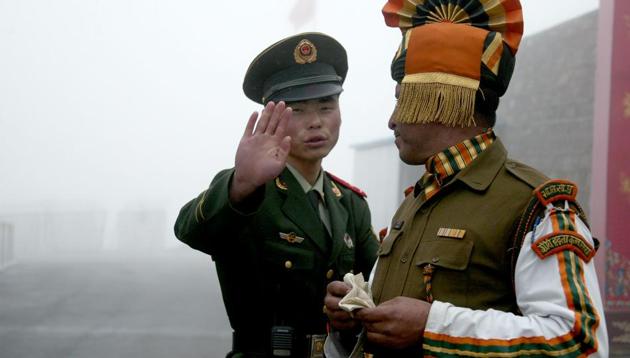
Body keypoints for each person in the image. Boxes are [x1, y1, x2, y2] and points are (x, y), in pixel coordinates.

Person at [324, 1, 609, 357]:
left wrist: (434, 325)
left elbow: (581, 341)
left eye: (402, 101)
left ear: (441, 98)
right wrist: (354, 319)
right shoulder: (414, 203)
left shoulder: (536, 206)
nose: (392, 120)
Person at [174, 32, 379, 358]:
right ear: (272, 118)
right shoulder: (248, 191)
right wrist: (241, 184)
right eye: (297, 111)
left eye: (327, 106)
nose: (315, 123)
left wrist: (353, 307)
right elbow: (189, 229)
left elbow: (379, 285)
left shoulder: (350, 204)